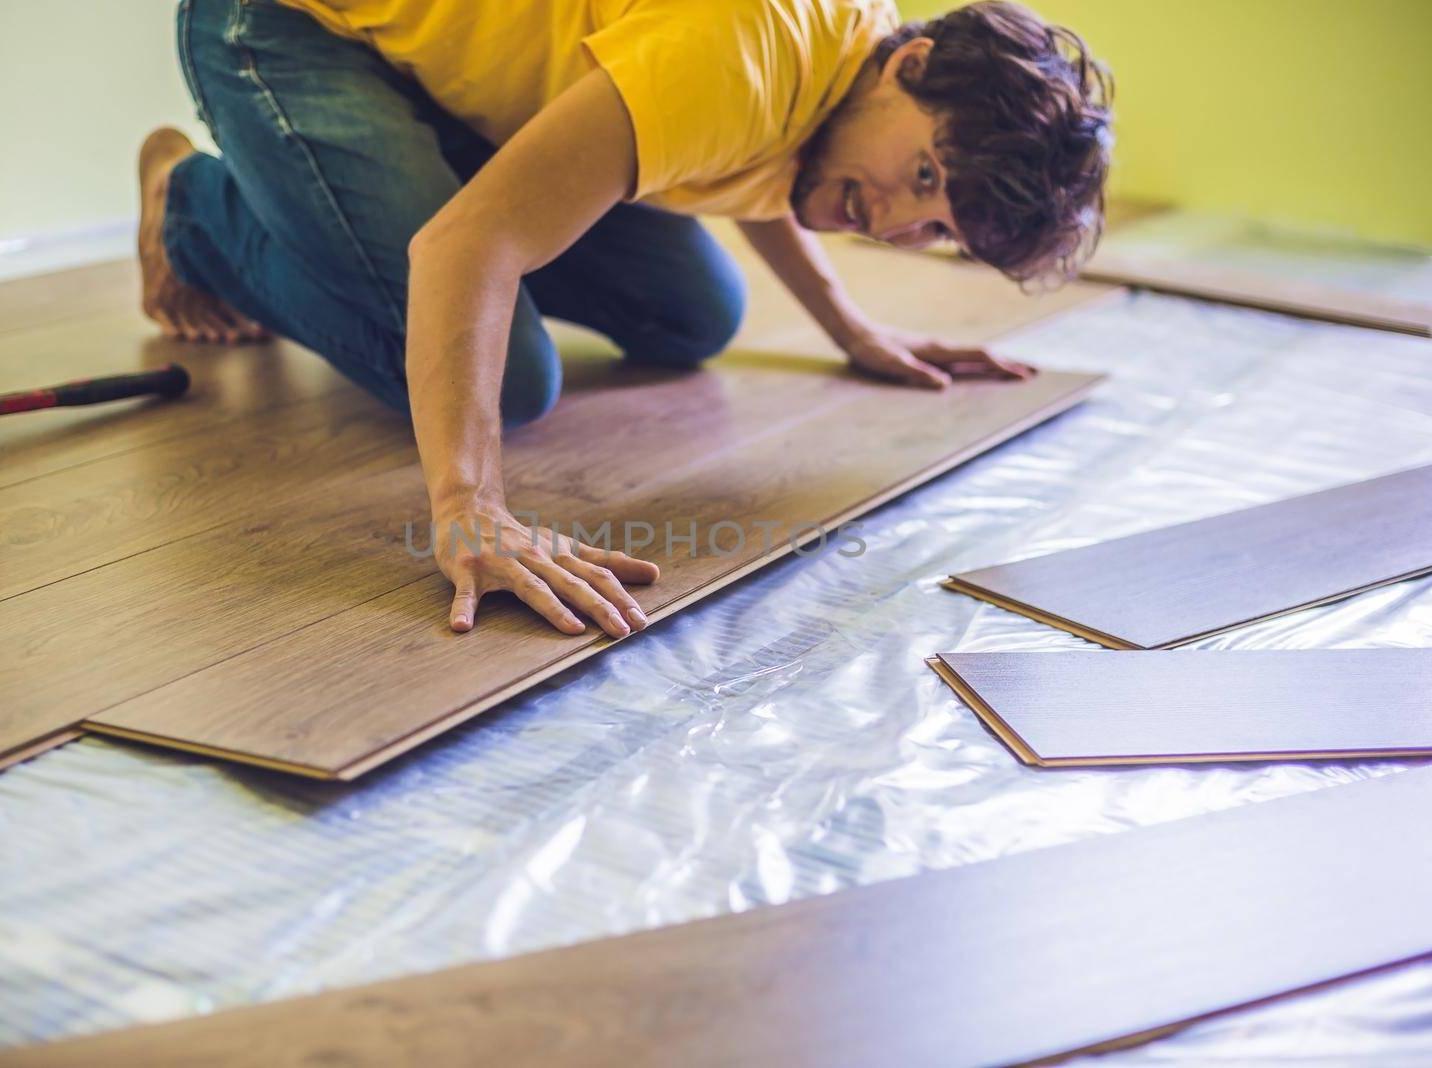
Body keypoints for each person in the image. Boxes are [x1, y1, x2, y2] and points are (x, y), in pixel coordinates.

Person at [136, 0, 1113, 639]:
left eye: (935, 227)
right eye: (926, 178)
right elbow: (463, 250)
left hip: (438, 75)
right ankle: (191, 203)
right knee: (512, 381)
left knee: (693, 312)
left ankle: (411, 178)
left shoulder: (848, 77)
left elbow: (779, 172)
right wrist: (468, 507)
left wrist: (851, 329)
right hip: (292, 25)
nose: (895, 221)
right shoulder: (744, 53)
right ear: (917, 65)